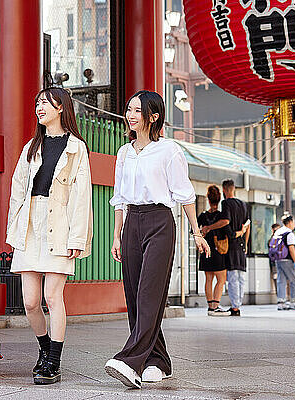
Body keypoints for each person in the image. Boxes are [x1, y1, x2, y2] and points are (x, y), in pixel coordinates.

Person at [105, 90, 210, 389]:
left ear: (154, 116)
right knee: (136, 297)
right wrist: (117, 235)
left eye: (138, 110)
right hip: (132, 224)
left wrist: (196, 232)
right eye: (129, 109)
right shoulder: (124, 153)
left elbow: (185, 193)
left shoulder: (169, 151)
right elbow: (120, 197)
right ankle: (158, 360)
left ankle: (130, 360)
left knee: (150, 293)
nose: (131, 114)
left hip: (160, 222)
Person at [6, 87, 93, 384]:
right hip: (31, 223)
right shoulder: (32, 146)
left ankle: (53, 362)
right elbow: (18, 189)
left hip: (60, 224)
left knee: (52, 296)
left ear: (61, 108)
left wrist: (77, 239)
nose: (40, 107)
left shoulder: (76, 147)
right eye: (37, 103)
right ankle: (45, 350)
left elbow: (82, 196)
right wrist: (14, 228)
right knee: (30, 301)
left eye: (45, 103)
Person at [201, 179, 250, 316]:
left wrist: (232, 234)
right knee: (240, 277)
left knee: (231, 277)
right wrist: (244, 241)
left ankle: (232, 307)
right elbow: (247, 224)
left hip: (229, 245)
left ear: (224, 190)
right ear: (233, 188)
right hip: (240, 245)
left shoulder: (225, 204)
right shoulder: (243, 204)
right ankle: (237, 305)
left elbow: (226, 222)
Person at [197, 185, 231, 316]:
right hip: (218, 251)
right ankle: (216, 305)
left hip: (206, 250)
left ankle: (210, 305)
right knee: (221, 278)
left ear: (208, 199)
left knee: (209, 278)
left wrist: (205, 230)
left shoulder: (203, 216)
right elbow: (227, 227)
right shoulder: (221, 216)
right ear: (219, 198)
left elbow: (196, 231)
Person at [271, 214, 295, 310]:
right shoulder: (289, 233)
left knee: (281, 280)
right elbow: (291, 248)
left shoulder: (278, 231)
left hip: (278, 259)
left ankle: (281, 302)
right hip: (287, 260)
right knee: (294, 280)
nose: (294, 224)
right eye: (293, 222)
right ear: (289, 222)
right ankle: (293, 301)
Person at [269, 223, 281, 295]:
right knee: (276, 278)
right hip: (274, 263)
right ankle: (279, 295)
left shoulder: (280, 238)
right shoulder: (272, 239)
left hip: (280, 261)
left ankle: (284, 296)